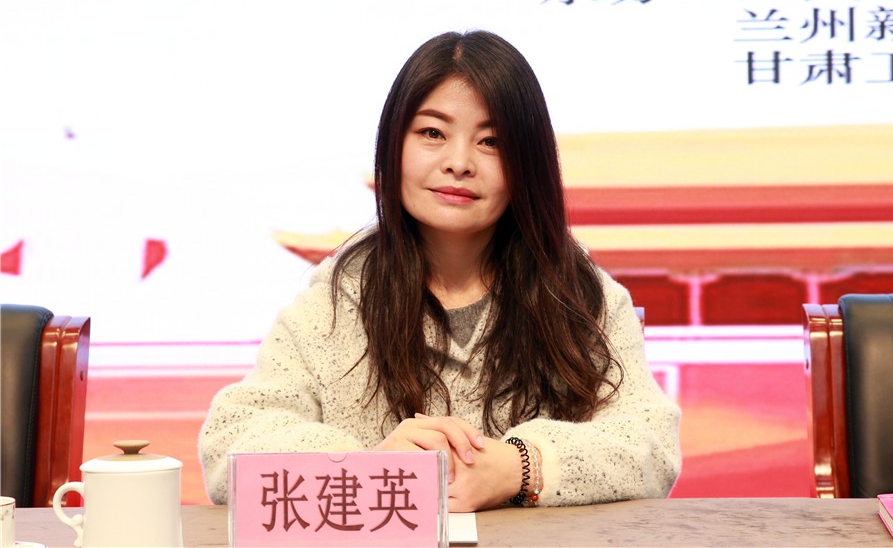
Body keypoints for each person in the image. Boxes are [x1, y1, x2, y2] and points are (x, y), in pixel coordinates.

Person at [199, 29, 681, 512]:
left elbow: (651, 443)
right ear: (394, 144)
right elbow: (230, 441)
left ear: (527, 162)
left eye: (492, 141)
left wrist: (523, 466)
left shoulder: (579, 295)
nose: (459, 163)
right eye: (432, 133)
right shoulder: (336, 299)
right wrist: (365, 467)